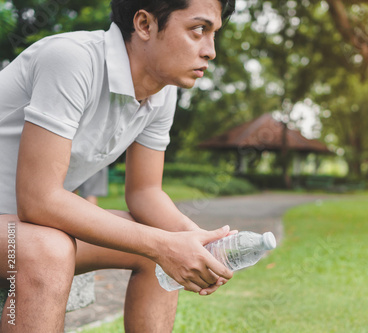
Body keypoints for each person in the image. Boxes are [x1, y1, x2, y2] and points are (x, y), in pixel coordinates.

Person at [0, 0, 236, 331]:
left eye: (214, 34)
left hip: (17, 228)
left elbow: (144, 192)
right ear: (144, 25)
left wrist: (194, 240)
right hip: (22, 229)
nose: (210, 50)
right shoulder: (73, 59)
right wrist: (163, 246)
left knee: (158, 251)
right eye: (198, 30)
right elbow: (39, 199)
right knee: (48, 250)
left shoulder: (161, 92)